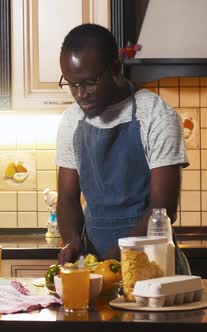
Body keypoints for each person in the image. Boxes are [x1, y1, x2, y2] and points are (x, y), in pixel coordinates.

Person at [55, 23, 190, 274]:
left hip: (152, 267)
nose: (80, 94)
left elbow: (163, 210)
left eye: (89, 83)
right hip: (96, 267)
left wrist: (118, 256)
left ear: (116, 69)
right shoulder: (72, 120)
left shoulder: (156, 116)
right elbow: (67, 198)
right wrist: (73, 242)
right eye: (72, 84)